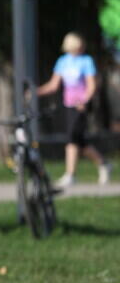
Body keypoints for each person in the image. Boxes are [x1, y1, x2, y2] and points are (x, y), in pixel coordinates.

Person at [38, 32, 112, 187]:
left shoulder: (86, 61)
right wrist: (36, 92)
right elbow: (53, 85)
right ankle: (103, 163)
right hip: (68, 105)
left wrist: (84, 100)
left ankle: (70, 174)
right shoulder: (62, 62)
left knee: (72, 138)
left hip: (81, 106)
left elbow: (91, 85)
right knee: (80, 141)